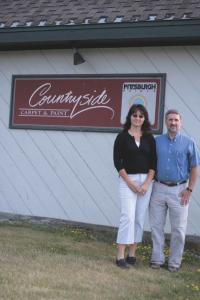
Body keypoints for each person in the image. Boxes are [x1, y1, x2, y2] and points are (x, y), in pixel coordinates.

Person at [149, 109, 200, 272]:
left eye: (176, 120)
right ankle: (157, 259)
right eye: (170, 120)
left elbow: (195, 168)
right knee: (156, 226)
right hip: (158, 188)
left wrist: (189, 189)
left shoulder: (188, 142)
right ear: (166, 122)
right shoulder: (157, 141)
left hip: (180, 190)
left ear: (180, 122)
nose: (173, 123)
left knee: (178, 229)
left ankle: (174, 263)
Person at [113, 104, 157, 268]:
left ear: (144, 119)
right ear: (129, 117)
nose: (137, 118)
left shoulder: (149, 138)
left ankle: (132, 254)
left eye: (140, 116)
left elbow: (154, 163)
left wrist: (146, 183)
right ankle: (120, 256)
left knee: (139, 218)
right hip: (127, 180)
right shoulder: (122, 137)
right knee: (128, 217)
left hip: (146, 181)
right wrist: (130, 183)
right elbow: (118, 162)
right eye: (134, 115)